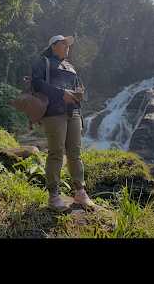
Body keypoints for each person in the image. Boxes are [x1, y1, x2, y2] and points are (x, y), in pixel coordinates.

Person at [31, 34, 95, 211]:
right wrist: (61, 94)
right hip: (53, 112)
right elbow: (37, 84)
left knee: (75, 153)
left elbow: (79, 87)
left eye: (68, 44)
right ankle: (53, 196)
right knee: (56, 153)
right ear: (53, 46)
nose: (67, 46)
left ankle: (80, 192)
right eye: (64, 44)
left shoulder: (70, 66)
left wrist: (80, 93)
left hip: (73, 112)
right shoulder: (43, 62)